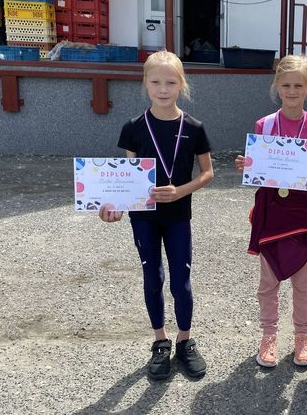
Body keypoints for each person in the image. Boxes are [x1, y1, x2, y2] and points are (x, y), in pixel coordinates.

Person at [99, 50, 214, 379]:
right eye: (156, 82)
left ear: (182, 84)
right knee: (153, 277)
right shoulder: (133, 127)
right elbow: (127, 177)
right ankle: (160, 341)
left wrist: (180, 191)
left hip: (178, 215)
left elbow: (208, 173)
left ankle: (185, 341)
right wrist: (114, 206)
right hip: (144, 217)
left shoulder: (194, 127)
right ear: (145, 83)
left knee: (181, 281)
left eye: (171, 82)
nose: (163, 89)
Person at [235, 55, 307, 368]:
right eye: (286, 85)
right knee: (268, 283)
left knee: (304, 284)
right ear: (277, 86)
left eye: (298, 85)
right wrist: (248, 167)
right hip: (272, 213)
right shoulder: (264, 125)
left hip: (303, 215)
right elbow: (259, 169)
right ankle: (269, 335)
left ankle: (302, 335)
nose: (292, 91)